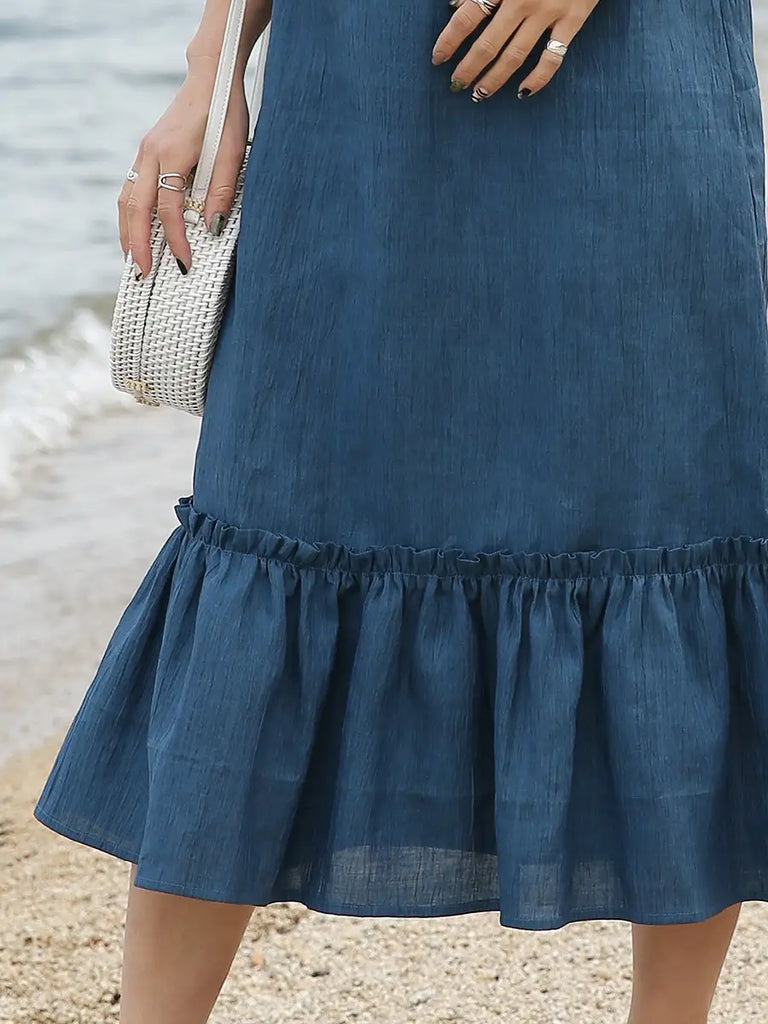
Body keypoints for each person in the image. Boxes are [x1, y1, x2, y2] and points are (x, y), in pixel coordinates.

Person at [32, 0, 768, 1020]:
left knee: (664, 524)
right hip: (353, 97)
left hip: (638, 88)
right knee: (275, 506)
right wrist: (213, 65)